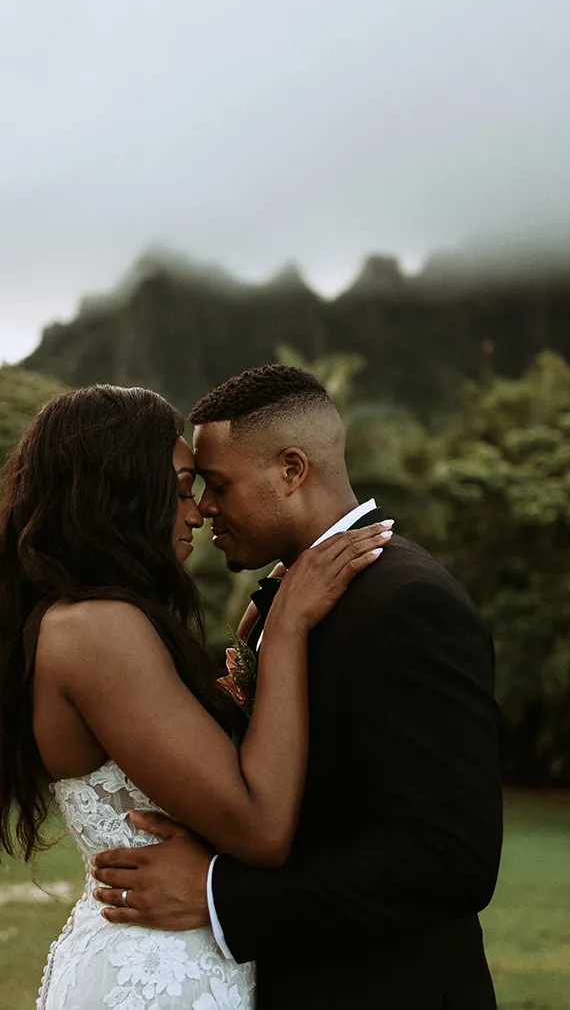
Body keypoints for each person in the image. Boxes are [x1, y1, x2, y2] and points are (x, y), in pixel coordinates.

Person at [0, 384, 390, 1009]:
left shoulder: (93, 621)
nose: (197, 511)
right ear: (122, 489)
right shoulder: (97, 629)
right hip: (157, 975)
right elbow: (260, 826)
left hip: (163, 957)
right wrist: (290, 627)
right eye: (184, 485)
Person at [88, 365, 503, 1009]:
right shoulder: (291, 598)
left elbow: (451, 859)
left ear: (291, 469)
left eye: (218, 485)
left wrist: (218, 894)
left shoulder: (406, 601)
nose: (204, 509)